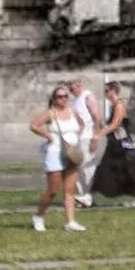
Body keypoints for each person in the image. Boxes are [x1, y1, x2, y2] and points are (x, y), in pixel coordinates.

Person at [30, 84, 87, 232]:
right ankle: (39, 216)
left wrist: (77, 137)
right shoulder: (51, 113)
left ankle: (70, 221)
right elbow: (34, 125)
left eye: (65, 96)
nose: (63, 99)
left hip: (72, 153)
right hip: (55, 152)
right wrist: (48, 136)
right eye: (59, 96)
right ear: (54, 99)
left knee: (70, 190)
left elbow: (82, 124)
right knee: (53, 190)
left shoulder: (73, 112)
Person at [90, 79, 135, 206]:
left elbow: (115, 125)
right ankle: (91, 196)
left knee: (129, 170)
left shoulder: (119, 105)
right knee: (105, 169)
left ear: (113, 91)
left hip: (123, 145)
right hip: (115, 144)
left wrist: (99, 135)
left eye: (106, 91)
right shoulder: (112, 105)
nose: (105, 93)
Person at [67, 77, 103, 207]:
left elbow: (96, 117)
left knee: (87, 168)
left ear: (79, 85)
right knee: (77, 168)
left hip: (88, 137)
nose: (71, 91)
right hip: (79, 138)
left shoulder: (87, 96)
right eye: (69, 88)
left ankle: (89, 196)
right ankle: (83, 196)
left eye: (72, 88)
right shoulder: (76, 100)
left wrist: (96, 136)